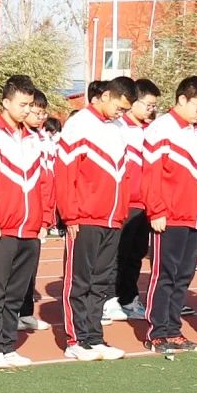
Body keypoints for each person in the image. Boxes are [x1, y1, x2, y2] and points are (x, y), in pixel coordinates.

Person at [0, 76, 52, 369]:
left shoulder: (34, 138)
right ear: (6, 103)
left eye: (30, 105)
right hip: (1, 229)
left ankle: (7, 344)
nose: (27, 110)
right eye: (22, 104)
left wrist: (44, 219)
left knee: (16, 293)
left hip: (29, 229)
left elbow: (44, 181)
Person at [55, 76, 137, 362]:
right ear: (105, 96)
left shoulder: (119, 128)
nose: (121, 113)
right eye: (119, 107)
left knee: (101, 281)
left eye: (126, 110)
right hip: (84, 217)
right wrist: (70, 215)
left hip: (112, 218)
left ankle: (94, 337)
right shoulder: (79, 124)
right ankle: (76, 339)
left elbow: (123, 174)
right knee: (80, 281)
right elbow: (65, 172)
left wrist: (121, 211)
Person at [142, 75, 197, 355]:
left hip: (194, 216)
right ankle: (157, 332)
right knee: (165, 275)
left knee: (183, 276)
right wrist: (156, 210)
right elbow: (152, 174)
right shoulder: (161, 128)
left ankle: (174, 329)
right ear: (182, 99)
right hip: (170, 216)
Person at [107, 78, 161, 322]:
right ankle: (109, 299)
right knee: (116, 254)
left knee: (136, 254)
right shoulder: (119, 127)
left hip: (145, 204)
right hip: (124, 202)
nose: (151, 110)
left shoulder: (151, 130)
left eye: (154, 106)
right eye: (148, 105)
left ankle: (129, 298)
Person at [16, 89, 54, 332]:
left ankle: (25, 312)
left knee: (30, 268)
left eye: (43, 113)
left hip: (39, 212)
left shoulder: (44, 138)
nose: (39, 117)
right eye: (35, 112)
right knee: (14, 271)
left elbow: (48, 181)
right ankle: (12, 314)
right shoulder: (20, 138)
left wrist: (47, 216)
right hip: (20, 213)